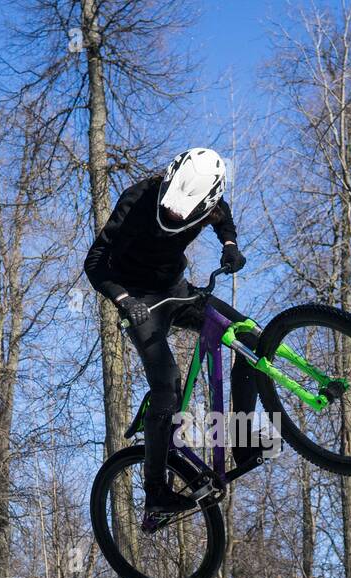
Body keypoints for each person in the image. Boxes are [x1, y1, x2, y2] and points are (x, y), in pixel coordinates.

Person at [84, 147, 259, 515]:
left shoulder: (209, 203)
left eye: (183, 210)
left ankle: (241, 441)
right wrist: (122, 298)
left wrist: (230, 245)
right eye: (171, 206)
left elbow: (222, 215)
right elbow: (95, 259)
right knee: (168, 384)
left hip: (177, 291)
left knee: (250, 335)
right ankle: (155, 493)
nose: (175, 213)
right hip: (139, 301)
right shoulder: (138, 199)